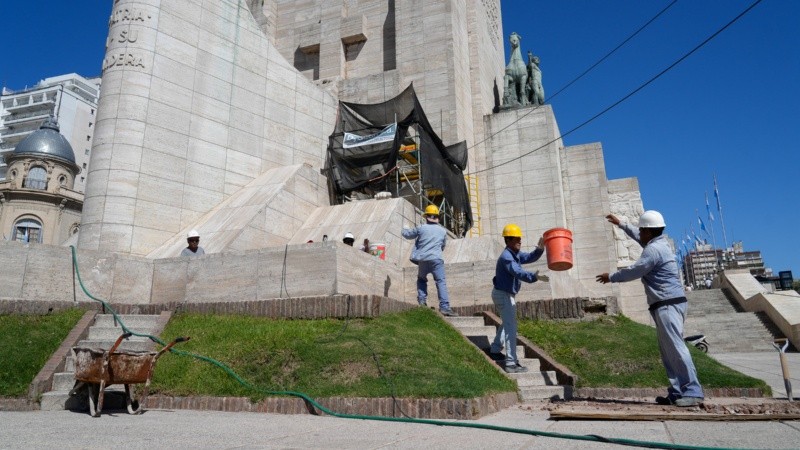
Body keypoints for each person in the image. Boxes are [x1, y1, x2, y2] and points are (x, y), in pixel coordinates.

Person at [596, 211, 704, 407]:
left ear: (648, 231)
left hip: (667, 304)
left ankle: (693, 391)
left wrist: (611, 276)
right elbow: (638, 236)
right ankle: (677, 392)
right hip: (666, 303)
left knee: (676, 349)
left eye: (641, 229)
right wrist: (621, 224)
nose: (639, 232)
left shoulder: (653, 251)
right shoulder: (658, 244)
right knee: (668, 351)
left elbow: (636, 270)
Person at [489, 223, 548, 373]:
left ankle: (495, 349)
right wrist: (533, 277)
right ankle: (510, 363)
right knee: (511, 328)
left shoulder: (515, 254)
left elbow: (529, 257)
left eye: (520, 238)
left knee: (507, 323)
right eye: (517, 239)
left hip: (505, 294)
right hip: (503, 295)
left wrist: (540, 250)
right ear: (508, 240)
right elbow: (518, 272)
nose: (520, 241)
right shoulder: (507, 257)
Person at [401, 205, 457, 317]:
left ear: (426, 217)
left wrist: (404, 228)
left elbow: (408, 235)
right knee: (440, 282)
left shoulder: (421, 228)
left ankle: (422, 302)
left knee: (421, 280)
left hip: (423, 260)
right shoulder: (442, 231)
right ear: (437, 217)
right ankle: (445, 307)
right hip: (437, 259)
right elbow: (443, 246)